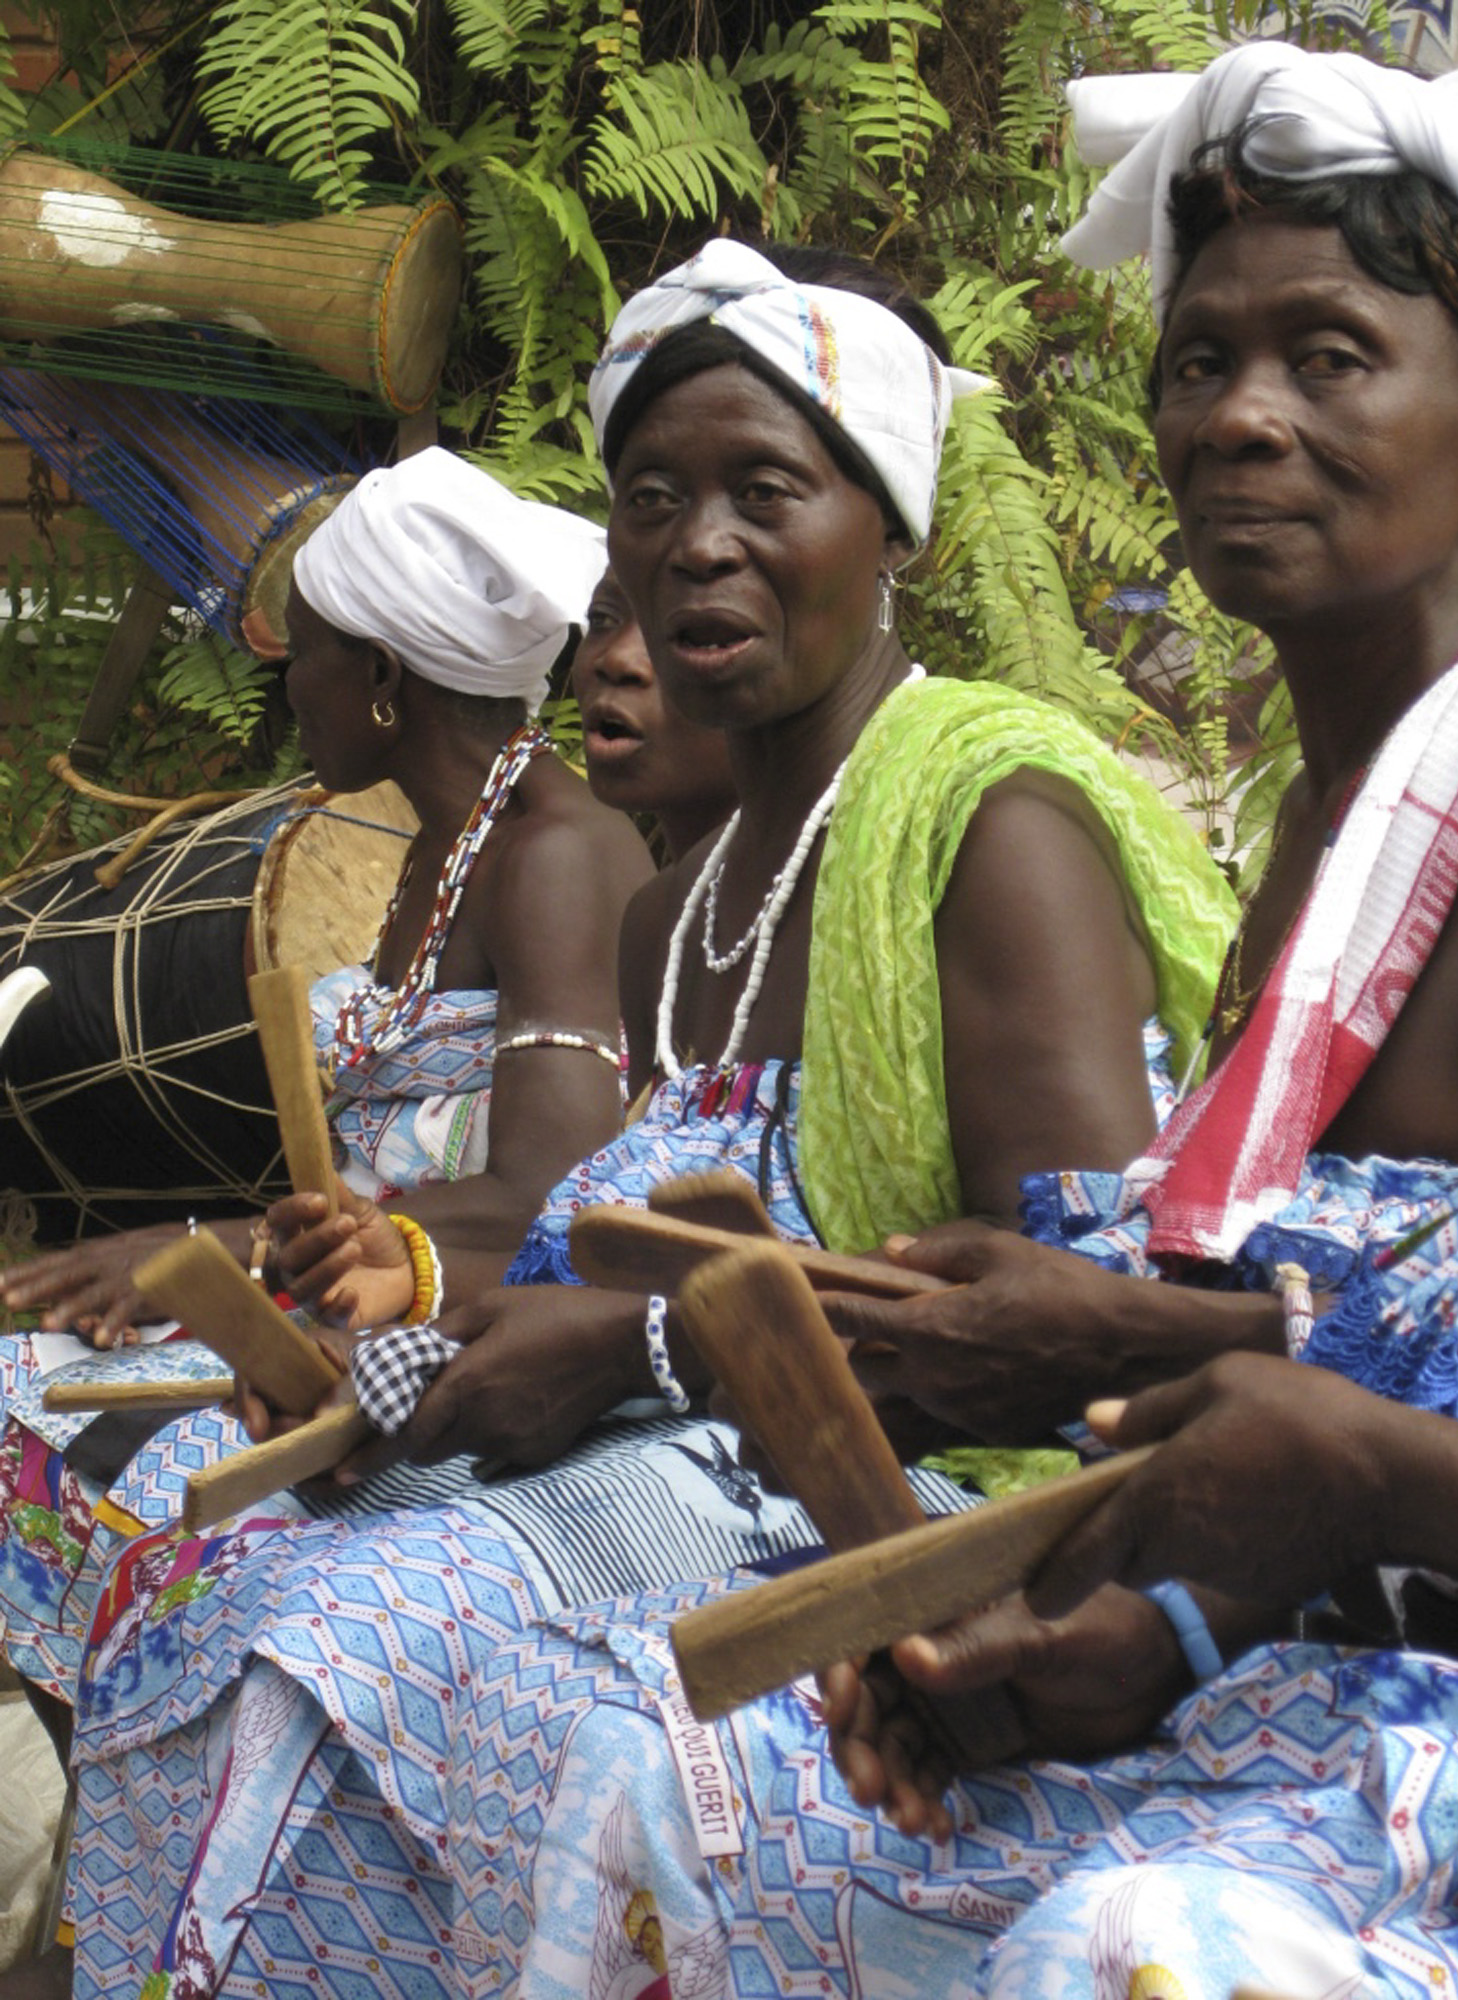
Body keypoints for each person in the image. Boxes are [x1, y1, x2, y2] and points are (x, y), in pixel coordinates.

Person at [432, 41, 1458, 2000]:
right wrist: (1114, 1652)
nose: (1241, 415)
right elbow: (1302, 1396)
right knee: (672, 1790)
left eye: (1332, 356)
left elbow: (1362, 1430)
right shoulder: (1323, 856)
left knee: (1129, 1949)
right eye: (1200, 359)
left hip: (1441, 1760)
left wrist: (1338, 1460)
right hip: (1318, 1685)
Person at [60, 243, 1236, 2000]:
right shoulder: (674, 916)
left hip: (926, 1492)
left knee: (335, 1647)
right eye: (656, 498)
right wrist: (416, 1341)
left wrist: (627, 1351)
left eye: (768, 489)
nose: (699, 544)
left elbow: (1072, 1336)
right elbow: (613, 1263)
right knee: (226, 1574)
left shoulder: (991, 826)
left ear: (894, 526)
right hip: (687, 1437)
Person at [0, 450, 652, 1701]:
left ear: (384, 677)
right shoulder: (446, 844)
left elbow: (554, 1193)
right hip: (349, 1302)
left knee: (43, 1436)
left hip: (455, 1348)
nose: (287, 681)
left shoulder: (556, 855)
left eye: (302, 650)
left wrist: (219, 1246)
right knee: (33, 1388)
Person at [572, 564, 737, 864]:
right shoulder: (669, 894)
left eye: (695, 632)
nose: (618, 658)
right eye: (602, 618)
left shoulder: (825, 889)